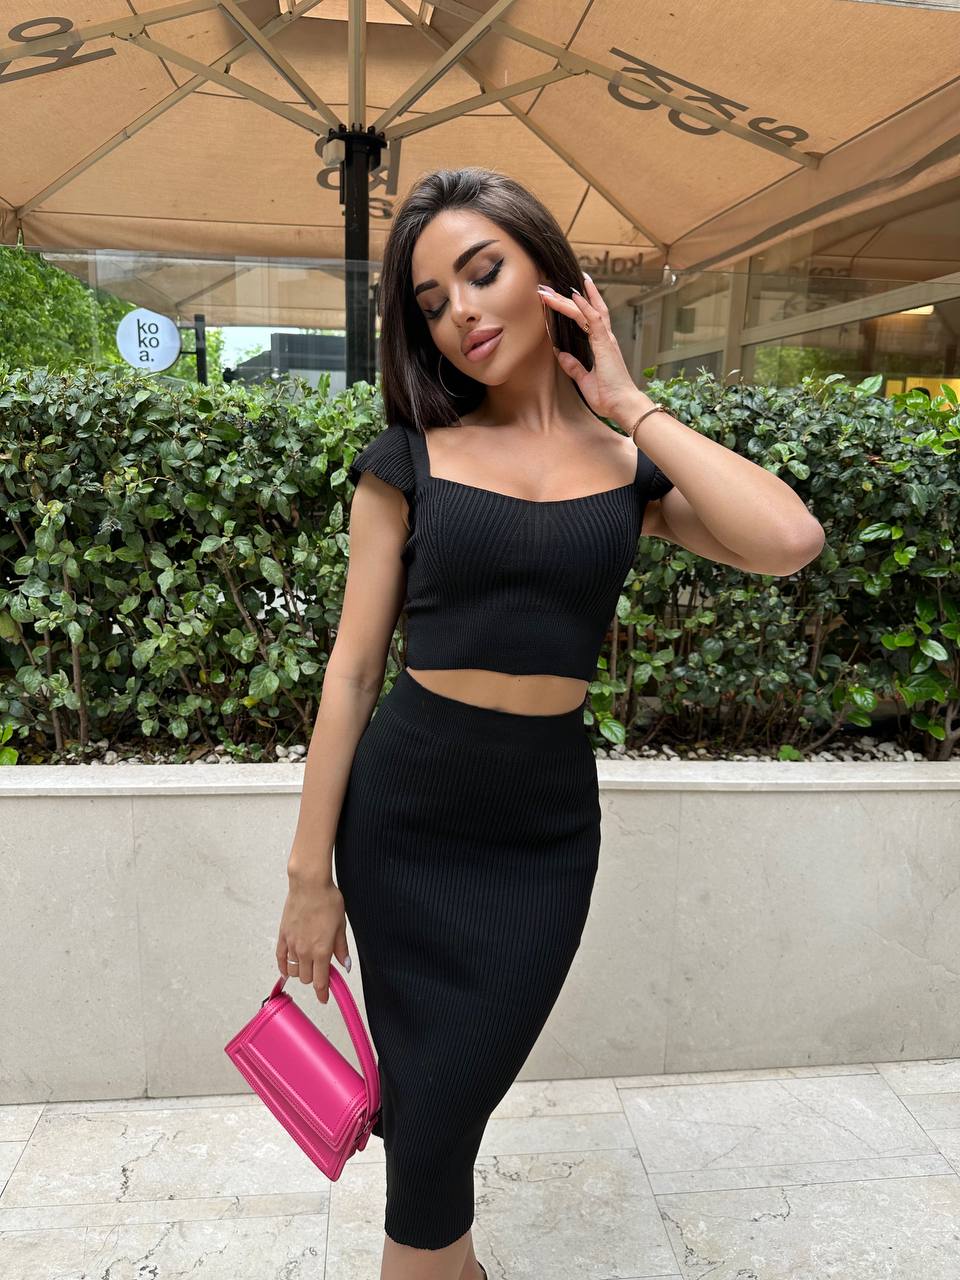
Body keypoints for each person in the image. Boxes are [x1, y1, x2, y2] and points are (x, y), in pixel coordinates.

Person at [276, 167, 825, 1280]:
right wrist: (306, 875)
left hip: (540, 834)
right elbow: (351, 670)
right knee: (428, 1129)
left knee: (448, 1099)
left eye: (483, 272)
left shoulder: (632, 472)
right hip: (408, 817)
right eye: (433, 300)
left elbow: (788, 539)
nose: (463, 312)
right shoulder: (408, 460)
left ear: (551, 277)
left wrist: (629, 401)